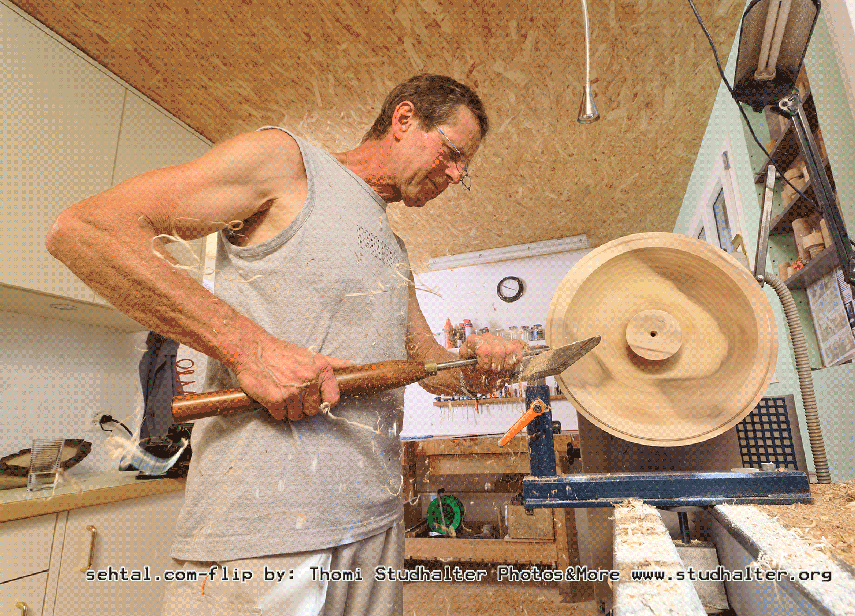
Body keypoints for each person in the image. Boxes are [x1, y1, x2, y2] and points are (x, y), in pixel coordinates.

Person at [46, 73, 525, 615]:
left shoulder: (393, 249)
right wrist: (249, 350)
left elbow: (428, 368)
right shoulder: (289, 163)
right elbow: (87, 230)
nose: (457, 173)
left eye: (463, 168)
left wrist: (479, 366)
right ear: (404, 119)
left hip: (375, 525)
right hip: (268, 526)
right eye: (453, 152)